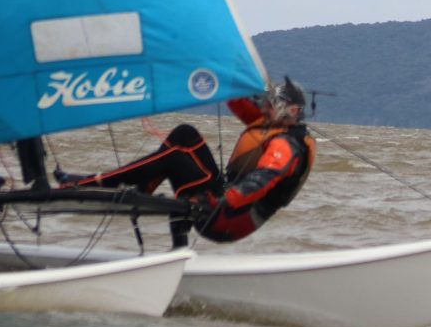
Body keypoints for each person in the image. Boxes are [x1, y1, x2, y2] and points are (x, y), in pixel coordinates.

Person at [58, 77, 315, 245]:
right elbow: (236, 100)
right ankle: (143, 189)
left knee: (176, 157)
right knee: (184, 134)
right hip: (222, 205)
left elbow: (262, 180)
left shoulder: (287, 144)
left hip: (228, 216)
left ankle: (95, 181)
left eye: (272, 102)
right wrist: (228, 69)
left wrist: (220, 201)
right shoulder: (268, 124)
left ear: (290, 110)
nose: (265, 106)